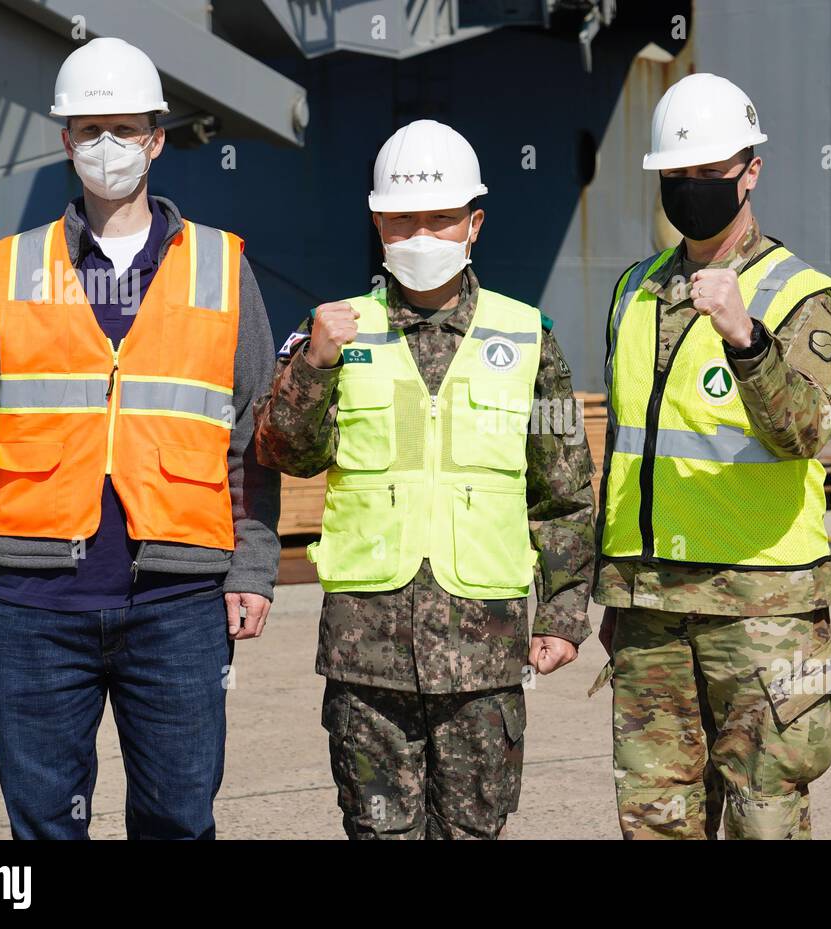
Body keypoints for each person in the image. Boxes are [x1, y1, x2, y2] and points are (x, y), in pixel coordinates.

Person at [0, 37, 280, 839]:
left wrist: (253, 566)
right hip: (34, 601)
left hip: (178, 601)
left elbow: (253, 431)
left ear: (157, 138)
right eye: (90, 130)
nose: (107, 146)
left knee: (180, 820)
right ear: (66, 141)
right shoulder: (8, 265)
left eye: (125, 129)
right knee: (45, 826)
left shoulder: (220, 265)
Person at [254, 119, 594, 839]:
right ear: (378, 223)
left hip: (486, 657)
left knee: (473, 832)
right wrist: (312, 366)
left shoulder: (530, 336)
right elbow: (285, 451)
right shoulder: (337, 334)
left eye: (441, 219)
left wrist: (565, 612)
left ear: (474, 224)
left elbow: (562, 491)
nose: (421, 234)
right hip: (366, 657)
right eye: (403, 219)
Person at [594, 73, 831, 839]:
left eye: (711, 175)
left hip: (762, 609)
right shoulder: (634, 291)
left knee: (765, 817)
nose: (692, 190)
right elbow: (625, 449)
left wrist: (747, 340)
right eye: (677, 177)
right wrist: (615, 588)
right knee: (654, 818)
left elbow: (804, 432)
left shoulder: (805, 297)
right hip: (651, 606)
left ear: (751, 170)